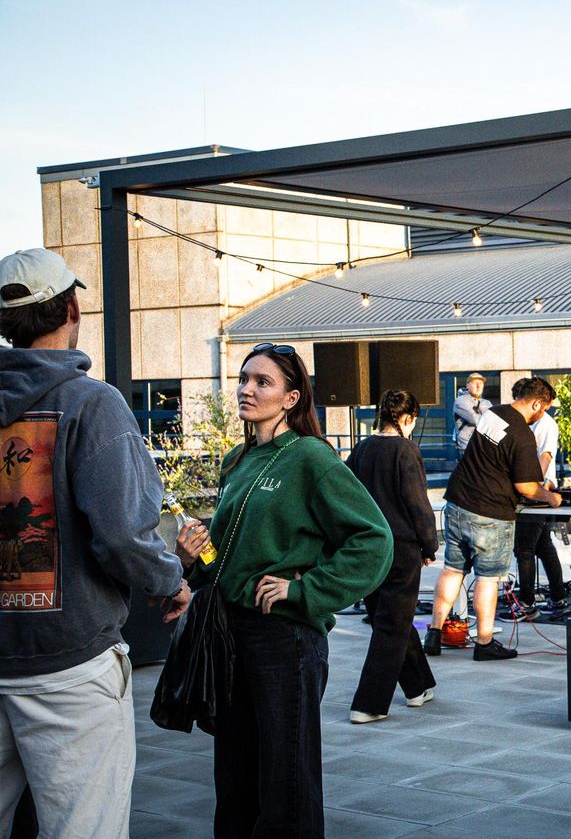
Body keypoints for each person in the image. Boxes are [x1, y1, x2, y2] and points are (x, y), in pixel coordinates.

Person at [0, 248, 190, 837]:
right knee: (85, 826)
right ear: (73, 306)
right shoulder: (92, 404)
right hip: (69, 659)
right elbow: (124, 536)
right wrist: (170, 580)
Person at [175, 342, 392, 837]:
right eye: (244, 379)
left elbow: (373, 540)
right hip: (229, 635)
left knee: (285, 785)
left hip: (284, 640)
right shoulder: (239, 459)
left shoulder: (311, 458)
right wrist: (192, 559)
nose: (247, 390)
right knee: (234, 779)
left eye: (263, 382)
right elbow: (230, 556)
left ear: (292, 398)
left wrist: (306, 590)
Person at [425, 376, 562, 661]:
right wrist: (551, 497)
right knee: (487, 579)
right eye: (544, 408)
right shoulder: (523, 435)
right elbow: (525, 487)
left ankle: (435, 632)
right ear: (536, 403)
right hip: (489, 513)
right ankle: (484, 643)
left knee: (453, 570)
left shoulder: (492, 413)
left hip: (458, 501)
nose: (544, 414)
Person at [346, 389, 438, 724]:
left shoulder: (361, 449)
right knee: (392, 624)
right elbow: (417, 503)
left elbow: (347, 494)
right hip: (401, 547)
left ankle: (418, 686)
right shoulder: (406, 449)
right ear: (406, 418)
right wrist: (430, 545)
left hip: (368, 546)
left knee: (389, 619)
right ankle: (368, 704)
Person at [503, 378, 567, 622]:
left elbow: (545, 457)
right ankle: (558, 595)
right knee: (543, 547)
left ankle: (526, 603)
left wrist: (534, 486)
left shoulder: (546, 425)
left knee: (525, 550)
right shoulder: (527, 423)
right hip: (534, 490)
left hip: (537, 491)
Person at [453, 372, 492, 453]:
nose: (478, 386)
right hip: (467, 447)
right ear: (467, 385)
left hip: (484, 446)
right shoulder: (461, 400)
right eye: (475, 383)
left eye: (481, 383)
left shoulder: (486, 402)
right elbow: (474, 419)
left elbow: (494, 421)